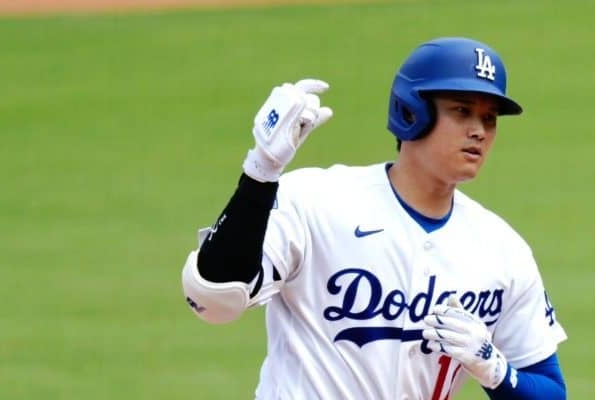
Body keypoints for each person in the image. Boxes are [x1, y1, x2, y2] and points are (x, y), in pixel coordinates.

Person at [181, 37, 567, 399]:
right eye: (462, 111)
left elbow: (550, 389)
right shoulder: (316, 202)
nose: (479, 131)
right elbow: (214, 299)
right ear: (412, 111)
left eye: (490, 118)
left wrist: (496, 370)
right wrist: (260, 173)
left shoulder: (502, 250)